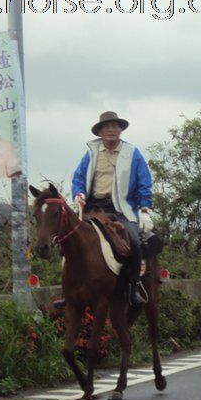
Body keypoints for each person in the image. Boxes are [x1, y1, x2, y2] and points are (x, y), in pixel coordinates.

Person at [71, 111, 153, 306]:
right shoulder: (91, 153)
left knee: (134, 240)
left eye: (114, 126)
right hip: (94, 208)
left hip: (121, 209)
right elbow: (78, 178)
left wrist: (144, 209)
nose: (110, 130)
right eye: (106, 127)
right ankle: (71, 288)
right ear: (99, 132)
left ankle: (134, 286)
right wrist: (79, 194)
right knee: (70, 239)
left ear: (120, 130)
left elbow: (144, 182)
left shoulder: (132, 153)